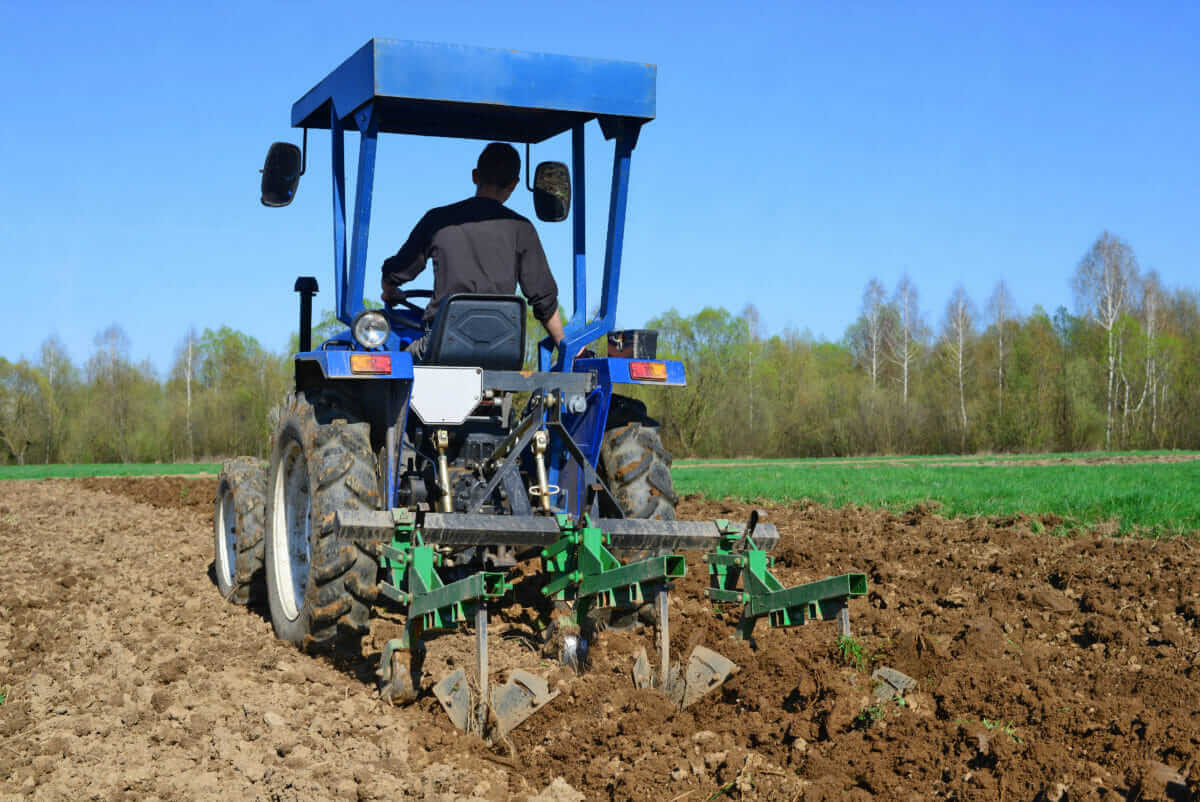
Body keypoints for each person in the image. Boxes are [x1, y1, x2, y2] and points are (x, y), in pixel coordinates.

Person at [380, 142, 565, 359]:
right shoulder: (522, 228)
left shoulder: (437, 220)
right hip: (501, 349)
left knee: (398, 360)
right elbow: (544, 299)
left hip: (442, 346)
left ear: (475, 176)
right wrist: (565, 345)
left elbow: (397, 271)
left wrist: (390, 292)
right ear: (514, 184)